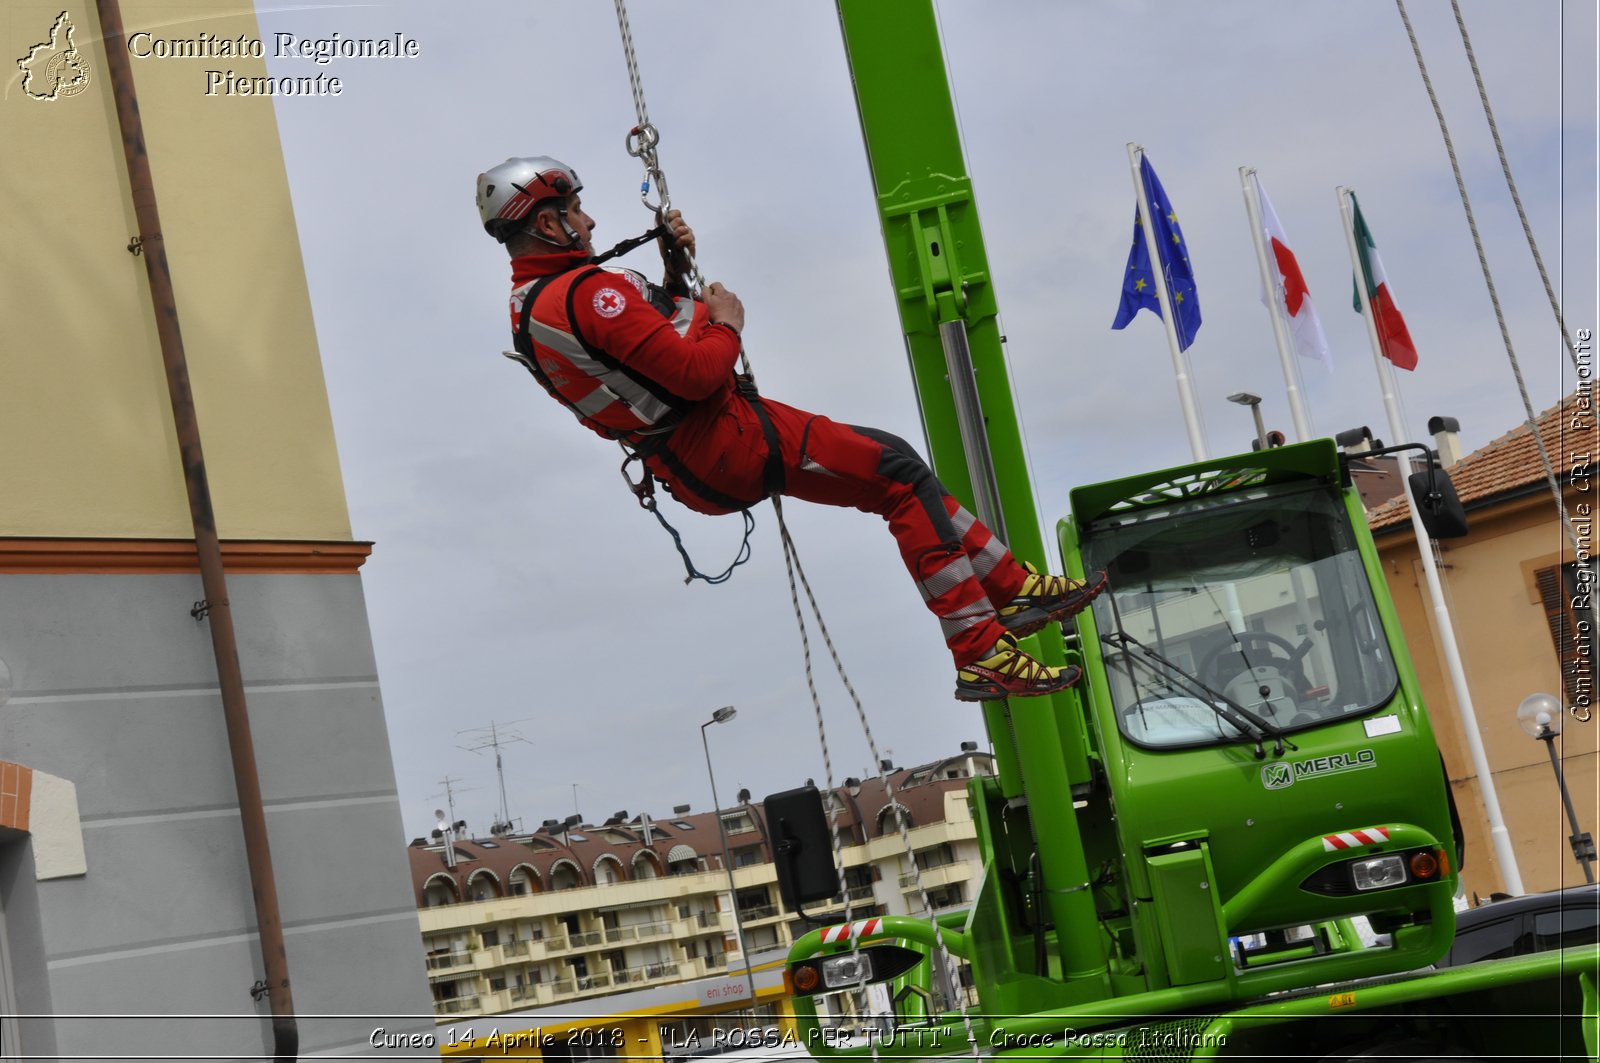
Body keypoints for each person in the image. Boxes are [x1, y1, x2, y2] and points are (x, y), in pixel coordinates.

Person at [476, 156, 1107, 701]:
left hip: (704, 444)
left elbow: (647, 346)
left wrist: (674, 267)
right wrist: (727, 320)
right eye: (576, 210)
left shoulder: (538, 304)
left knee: (897, 463)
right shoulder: (587, 295)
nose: (589, 222)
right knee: (896, 479)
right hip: (721, 439)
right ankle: (979, 645)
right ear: (547, 222)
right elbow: (693, 373)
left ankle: (1014, 588)